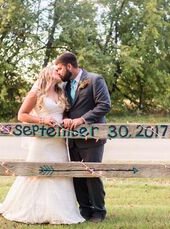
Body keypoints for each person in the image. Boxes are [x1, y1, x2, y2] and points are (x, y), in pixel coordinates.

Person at [0, 65, 85, 224]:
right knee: (36, 174)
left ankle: (59, 211)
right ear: (48, 73)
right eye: (56, 70)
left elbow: (64, 114)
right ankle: (29, 209)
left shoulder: (61, 92)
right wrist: (42, 120)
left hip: (58, 141)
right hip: (41, 141)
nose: (59, 72)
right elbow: (22, 115)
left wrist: (66, 120)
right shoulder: (36, 93)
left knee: (59, 172)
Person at [55, 52, 111, 222]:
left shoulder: (95, 80)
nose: (58, 72)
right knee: (77, 175)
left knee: (91, 174)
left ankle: (99, 211)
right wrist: (64, 119)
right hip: (72, 139)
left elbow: (104, 105)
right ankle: (84, 209)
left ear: (69, 66)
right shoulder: (64, 87)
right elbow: (66, 109)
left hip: (92, 137)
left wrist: (82, 119)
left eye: (59, 69)